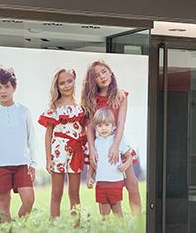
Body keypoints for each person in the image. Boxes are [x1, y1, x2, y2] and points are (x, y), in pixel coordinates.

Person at [81, 60, 141, 216]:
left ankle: (137, 221)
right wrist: (92, 149)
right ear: (92, 81)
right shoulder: (91, 99)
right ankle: (105, 221)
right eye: (96, 75)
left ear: (110, 72)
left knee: (133, 184)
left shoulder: (121, 96)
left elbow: (121, 124)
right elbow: (90, 127)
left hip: (118, 142)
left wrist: (115, 145)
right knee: (103, 185)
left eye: (104, 72)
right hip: (100, 146)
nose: (102, 77)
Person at [0, 66, 36, 222]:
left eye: (6, 86)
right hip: (0, 164)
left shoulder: (24, 111)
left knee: (29, 200)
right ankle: (6, 231)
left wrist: (33, 163)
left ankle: (19, 224)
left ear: (13, 87)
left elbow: (32, 138)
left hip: (22, 164)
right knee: (3, 204)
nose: (3, 91)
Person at [38, 69, 86, 222]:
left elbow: (85, 130)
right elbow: (48, 134)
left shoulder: (80, 106)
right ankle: (55, 226)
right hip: (58, 151)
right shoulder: (54, 107)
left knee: (74, 193)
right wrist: (48, 158)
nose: (66, 85)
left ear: (74, 81)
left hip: (76, 150)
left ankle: (76, 226)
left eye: (69, 81)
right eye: (62, 83)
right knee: (56, 193)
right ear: (57, 86)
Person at [86, 108, 133, 219]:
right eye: (100, 125)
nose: (103, 128)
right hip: (101, 182)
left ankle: (121, 228)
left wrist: (125, 165)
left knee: (116, 208)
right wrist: (89, 176)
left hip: (115, 181)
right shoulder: (95, 143)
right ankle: (105, 229)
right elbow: (92, 162)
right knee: (104, 211)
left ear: (113, 126)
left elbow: (130, 157)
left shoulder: (117, 141)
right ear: (96, 128)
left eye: (107, 125)